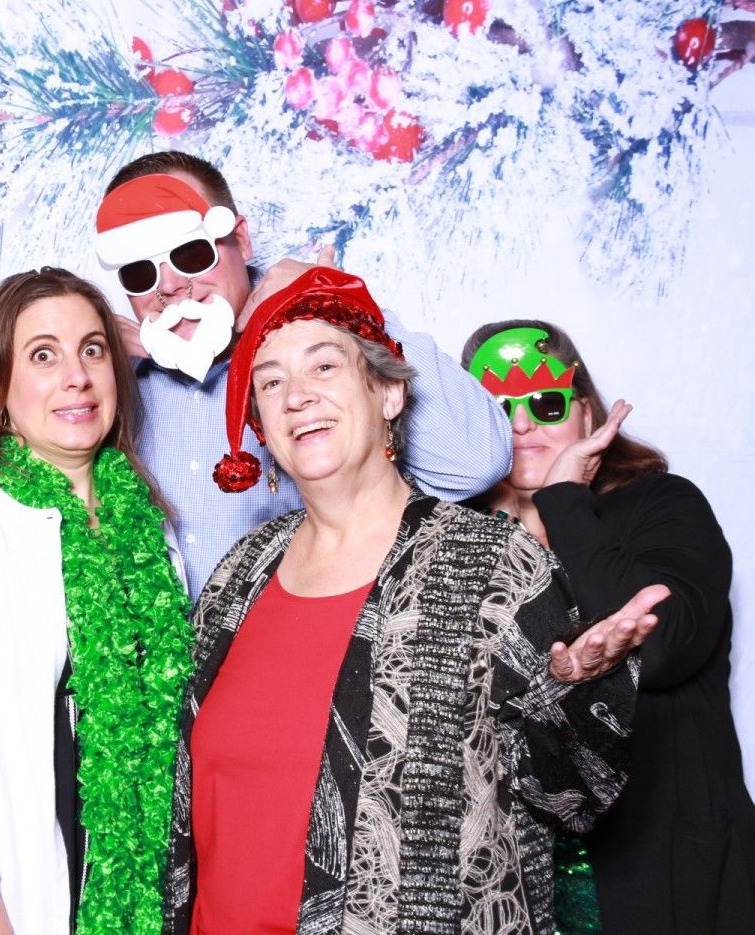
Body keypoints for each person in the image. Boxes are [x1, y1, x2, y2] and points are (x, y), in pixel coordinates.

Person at [163, 267, 666, 935]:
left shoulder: (493, 563)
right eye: (271, 382)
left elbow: (576, 798)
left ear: (390, 392)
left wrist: (575, 689)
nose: (298, 398)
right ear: (258, 424)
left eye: (324, 367)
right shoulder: (238, 578)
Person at [0, 268, 194, 934]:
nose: (75, 377)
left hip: (113, 887)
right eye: (43, 355)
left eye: (92, 349)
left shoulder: (148, 528)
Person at [94, 152, 511, 595]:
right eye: (140, 272)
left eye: (190, 253)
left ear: (241, 239)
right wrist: (85, 356)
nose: (170, 285)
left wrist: (342, 302)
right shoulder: (110, 387)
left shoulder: (327, 348)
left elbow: (473, 465)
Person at [462, 321, 755, 935]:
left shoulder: (662, 506)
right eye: (498, 406)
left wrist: (564, 497)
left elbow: (669, 645)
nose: (522, 425)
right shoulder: (459, 545)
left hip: (667, 871)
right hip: (513, 883)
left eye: (545, 403)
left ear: (585, 412)